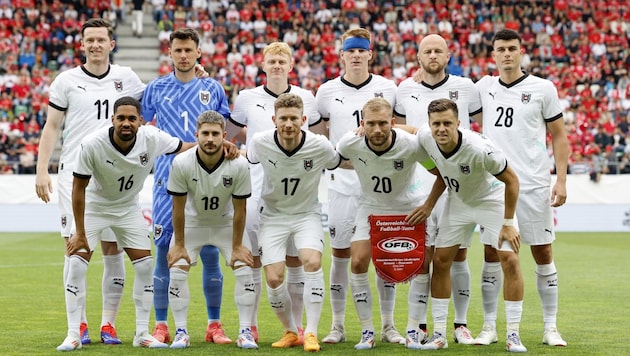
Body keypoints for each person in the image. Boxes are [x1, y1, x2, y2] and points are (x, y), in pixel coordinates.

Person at [35, 18, 145, 346]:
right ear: (81, 45)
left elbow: (150, 110)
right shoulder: (66, 81)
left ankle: (107, 324)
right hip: (74, 176)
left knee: (114, 250)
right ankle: (79, 324)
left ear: (112, 43)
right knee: (77, 248)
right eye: (89, 40)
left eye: (101, 39)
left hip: (115, 178)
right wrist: (43, 169)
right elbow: (52, 126)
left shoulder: (128, 78)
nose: (95, 45)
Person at [57, 96, 194, 351]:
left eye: (132, 118)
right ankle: (73, 334)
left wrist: (217, 146)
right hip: (95, 207)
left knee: (145, 267)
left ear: (141, 120)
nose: (126, 123)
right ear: (112, 120)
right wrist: (80, 232)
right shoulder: (93, 144)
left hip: (128, 208)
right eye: (121, 118)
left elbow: (184, 147)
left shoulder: (151, 137)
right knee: (76, 264)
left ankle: (141, 333)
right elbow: (78, 188)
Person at [474, 28, 569, 347]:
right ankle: (489, 327)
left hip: (533, 186)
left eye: (512, 48)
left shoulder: (543, 88)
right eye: (500, 49)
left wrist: (561, 179)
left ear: (521, 51)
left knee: (543, 251)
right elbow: (449, 90)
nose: (506, 54)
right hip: (493, 188)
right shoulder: (484, 87)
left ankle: (550, 327)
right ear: (493, 54)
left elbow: (559, 135)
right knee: (492, 255)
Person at [227, 41, 326, 343]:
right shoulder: (247, 98)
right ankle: (252, 325)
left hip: (297, 192)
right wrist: (243, 149)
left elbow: (320, 138)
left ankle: (299, 329)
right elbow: (230, 136)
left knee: (297, 262)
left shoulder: (306, 98)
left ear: (291, 65)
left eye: (283, 61)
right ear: (263, 64)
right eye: (272, 61)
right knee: (258, 262)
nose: (277, 65)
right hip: (257, 190)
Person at [141, 27, 233, 345]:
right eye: (177, 50)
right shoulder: (154, 89)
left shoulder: (212, 87)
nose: (183, 55)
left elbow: (225, 129)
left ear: (198, 53)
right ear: (170, 53)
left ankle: (214, 324)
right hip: (167, 178)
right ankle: (162, 325)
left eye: (188, 50)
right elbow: (142, 128)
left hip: (208, 178)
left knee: (209, 251)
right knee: (165, 251)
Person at [413, 98, 526, 352]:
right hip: (459, 201)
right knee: (441, 261)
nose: (441, 129)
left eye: (447, 124)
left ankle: (513, 335)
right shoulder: (427, 137)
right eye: (436, 124)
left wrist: (508, 223)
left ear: (458, 124)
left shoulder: (481, 148)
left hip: (492, 200)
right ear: (429, 124)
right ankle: (439, 334)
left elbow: (513, 181)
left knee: (510, 260)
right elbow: (411, 133)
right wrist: (430, 205)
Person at [315, 27, 403, 345]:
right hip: (341, 185)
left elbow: (401, 129)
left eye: (360, 50)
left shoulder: (388, 88)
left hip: (380, 189)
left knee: (383, 255)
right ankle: (338, 325)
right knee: (341, 256)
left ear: (369, 54)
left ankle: (389, 325)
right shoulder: (325, 92)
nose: (355, 55)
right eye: (349, 50)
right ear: (342, 55)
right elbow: (318, 139)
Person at [394, 33, 483, 346]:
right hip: (417, 183)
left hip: (458, 184)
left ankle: (460, 324)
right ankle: (417, 326)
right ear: (418, 57)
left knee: (457, 256)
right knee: (422, 257)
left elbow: (480, 131)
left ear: (448, 56)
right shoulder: (404, 88)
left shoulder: (468, 87)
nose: (432, 55)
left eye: (438, 51)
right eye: (427, 51)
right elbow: (401, 133)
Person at [335, 97, 444, 350]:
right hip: (371, 206)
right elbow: (333, 159)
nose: (377, 130)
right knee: (359, 261)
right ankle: (367, 331)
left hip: (407, 207)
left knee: (422, 263)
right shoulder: (350, 142)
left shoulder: (411, 144)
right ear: (362, 123)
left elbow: (440, 173)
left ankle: (413, 330)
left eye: (383, 123)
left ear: (393, 122)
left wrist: (427, 206)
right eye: (371, 124)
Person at [246, 93, 340, 352]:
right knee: (275, 278)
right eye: (284, 118)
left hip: (306, 215)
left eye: (294, 118)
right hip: (273, 216)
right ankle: (290, 330)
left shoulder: (319, 145)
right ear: (274, 120)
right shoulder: (260, 142)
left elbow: (337, 161)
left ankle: (311, 332)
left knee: (311, 260)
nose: (289, 124)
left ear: (304, 119)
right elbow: (248, 159)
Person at [165, 110, 258, 349]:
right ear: (196, 135)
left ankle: (245, 331)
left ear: (224, 136)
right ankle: (181, 331)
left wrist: (237, 246)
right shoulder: (181, 162)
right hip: (192, 223)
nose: (209, 139)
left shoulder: (238, 163)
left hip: (225, 223)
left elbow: (240, 210)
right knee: (177, 270)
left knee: (244, 268)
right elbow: (178, 207)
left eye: (215, 134)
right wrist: (180, 244)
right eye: (205, 133)